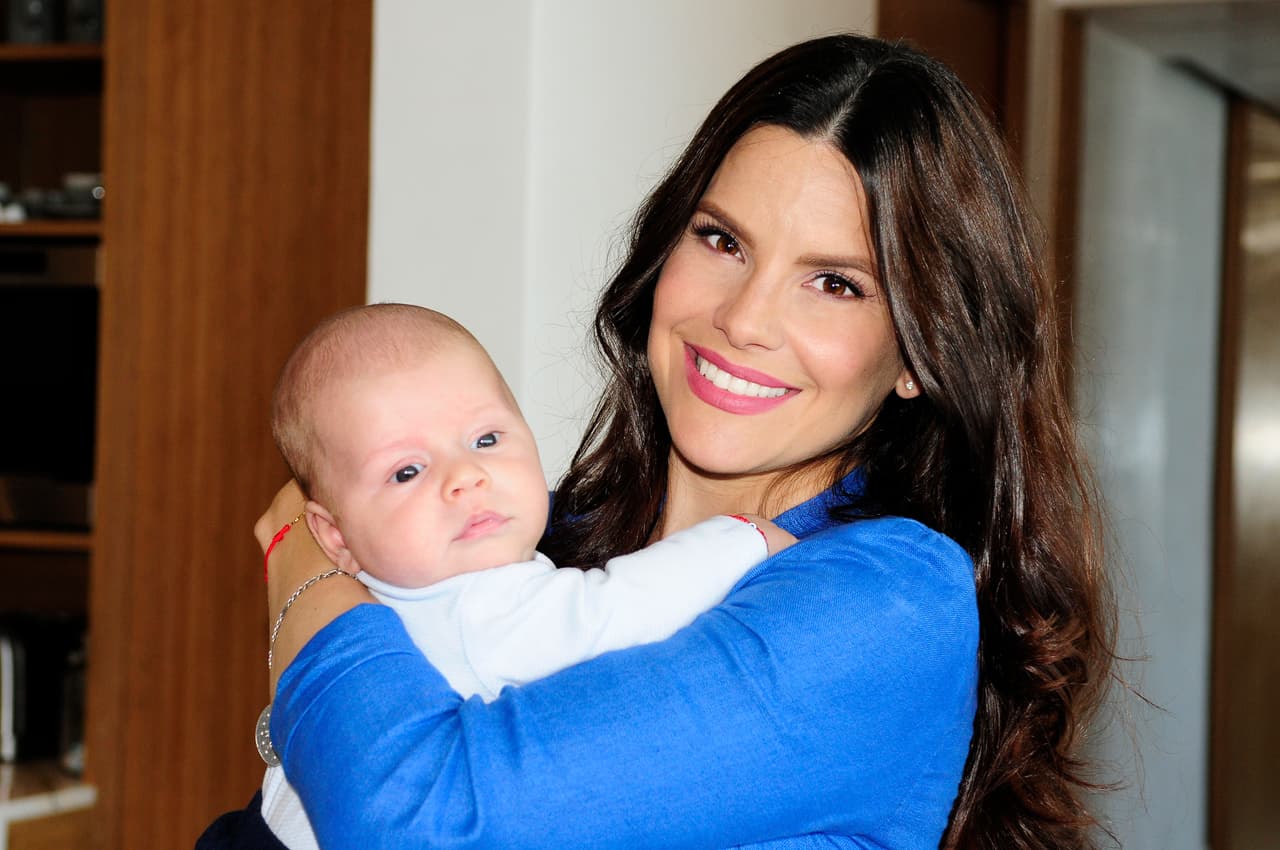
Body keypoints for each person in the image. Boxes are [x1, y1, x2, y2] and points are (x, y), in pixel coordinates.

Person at [205, 32, 1115, 850]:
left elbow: (423, 823)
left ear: (921, 351)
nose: (744, 319)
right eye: (722, 241)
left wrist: (302, 570)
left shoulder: (888, 602)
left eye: (836, 284)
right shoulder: (541, 537)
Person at [257, 303, 794, 850]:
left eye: (486, 439)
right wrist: (738, 541)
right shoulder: (474, 603)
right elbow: (611, 613)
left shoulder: (378, 602)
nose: (465, 477)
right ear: (335, 538)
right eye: (407, 471)